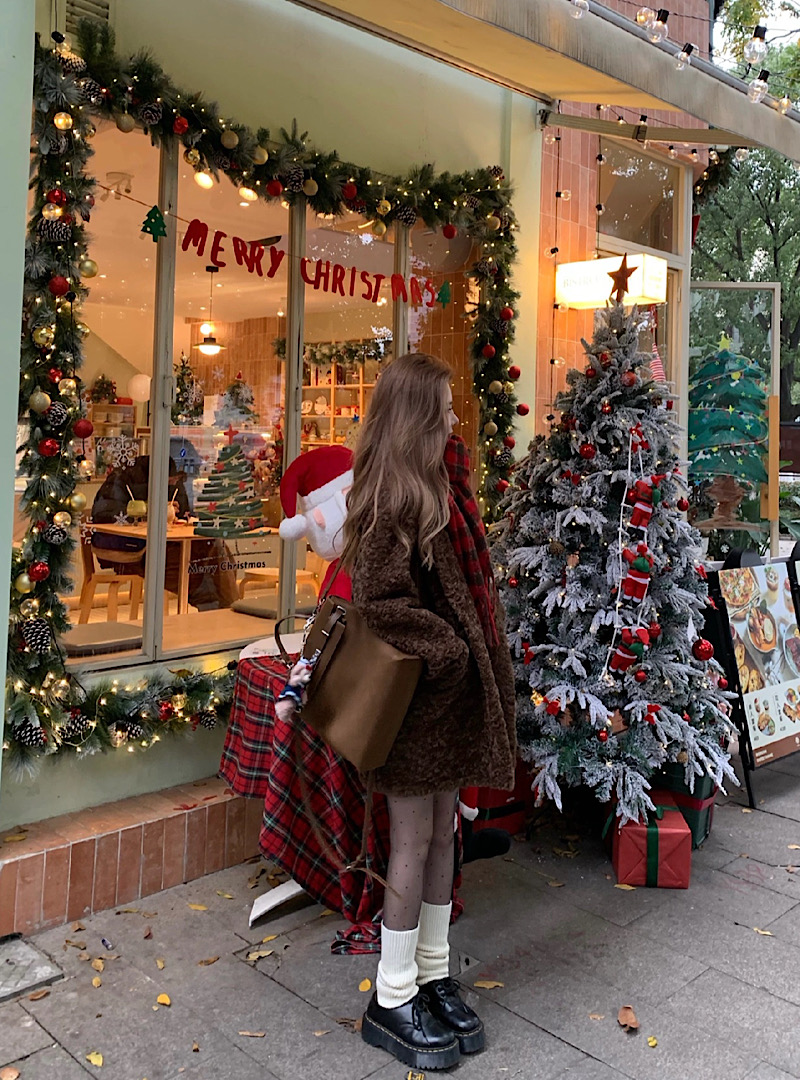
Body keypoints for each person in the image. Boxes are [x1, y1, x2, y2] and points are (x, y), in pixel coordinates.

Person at [341, 353, 517, 1071]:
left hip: (447, 702)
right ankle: (391, 996)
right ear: (416, 414)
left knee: (445, 838)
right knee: (413, 844)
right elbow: (378, 603)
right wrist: (447, 652)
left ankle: (433, 976)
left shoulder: (444, 483)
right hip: (416, 703)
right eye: (442, 407)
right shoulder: (391, 497)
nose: (453, 418)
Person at [91, 455, 238, 610]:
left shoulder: (172, 483)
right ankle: (224, 610)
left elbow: (183, 512)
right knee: (202, 566)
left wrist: (175, 513)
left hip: (160, 546)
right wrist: (150, 510)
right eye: (172, 480)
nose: (174, 483)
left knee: (215, 548)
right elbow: (104, 514)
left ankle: (223, 608)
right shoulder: (122, 481)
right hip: (129, 551)